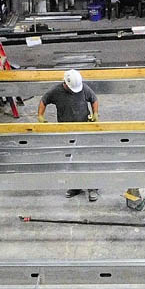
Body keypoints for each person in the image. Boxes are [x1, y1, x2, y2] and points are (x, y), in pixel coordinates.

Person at [37, 69, 100, 202]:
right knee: (71, 159)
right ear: (65, 84)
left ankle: (93, 187)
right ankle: (76, 186)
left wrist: (95, 113)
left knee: (87, 158)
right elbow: (44, 100)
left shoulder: (83, 88)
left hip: (84, 128)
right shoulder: (56, 91)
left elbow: (94, 99)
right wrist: (40, 116)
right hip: (66, 131)